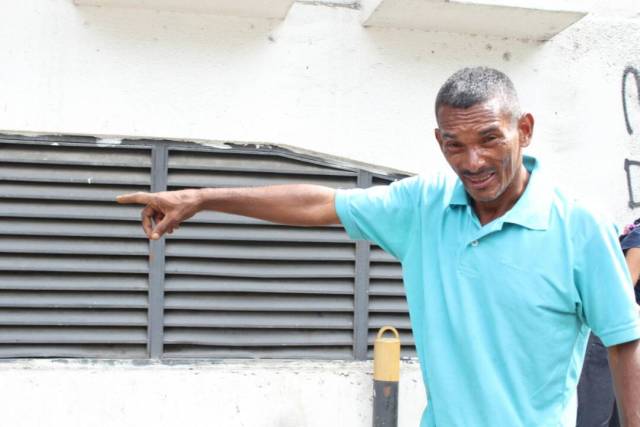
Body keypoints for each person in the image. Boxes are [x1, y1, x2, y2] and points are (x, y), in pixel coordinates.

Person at [117, 67, 640, 426]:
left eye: (489, 139)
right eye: (455, 145)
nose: (473, 161)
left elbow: (623, 342)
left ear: (523, 130)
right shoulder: (423, 205)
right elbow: (319, 203)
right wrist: (201, 197)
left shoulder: (579, 226)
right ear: (439, 141)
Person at [577, 219, 640, 427]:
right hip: (613, 335)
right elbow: (623, 290)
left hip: (622, 335)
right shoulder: (639, 237)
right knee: (594, 412)